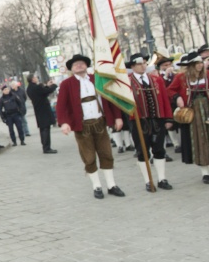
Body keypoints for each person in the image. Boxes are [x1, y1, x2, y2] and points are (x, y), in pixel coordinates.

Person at [56, 54, 125, 199]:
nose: (79, 66)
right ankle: (97, 186)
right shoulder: (66, 84)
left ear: (86, 65)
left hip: (100, 122)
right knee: (89, 157)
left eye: (81, 63)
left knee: (106, 154)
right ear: (71, 68)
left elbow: (110, 99)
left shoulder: (96, 79)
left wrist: (117, 117)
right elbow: (61, 106)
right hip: (82, 126)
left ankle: (111, 185)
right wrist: (64, 122)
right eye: (75, 64)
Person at [167, 51, 209, 183]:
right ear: (190, 65)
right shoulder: (181, 77)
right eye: (197, 63)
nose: (200, 65)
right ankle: (205, 173)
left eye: (201, 63)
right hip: (194, 113)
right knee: (199, 141)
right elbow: (170, 90)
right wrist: (177, 97)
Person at [126, 53, 174, 191]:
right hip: (139, 122)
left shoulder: (156, 79)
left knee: (159, 149)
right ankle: (148, 181)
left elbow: (164, 99)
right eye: (139, 64)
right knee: (142, 151)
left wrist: (168, 118)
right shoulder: (127, 82)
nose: (143, 66)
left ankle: (162, 179)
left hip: (157, 119)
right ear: (132, 66)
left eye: (144, 63)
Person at [26, 73, 58, 154]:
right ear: (32, 79)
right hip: (43, 109)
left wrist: (47, 85)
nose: (37, 78)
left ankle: (45, 146)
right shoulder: (36, 87)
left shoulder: (29, 88)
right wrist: (54, 85)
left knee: (43, 128)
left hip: (38, 109)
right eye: (35, 77)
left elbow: (43, 93)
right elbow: (47, 91)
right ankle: (46, 148)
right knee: (46, 128)